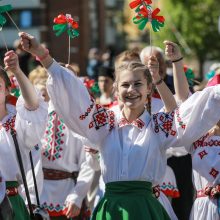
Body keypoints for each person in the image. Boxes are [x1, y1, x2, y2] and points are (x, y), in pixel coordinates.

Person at [19, 32, 220, 220]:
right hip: (112, 209)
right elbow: (76, 96)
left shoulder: (160, 126)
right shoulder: (104, 124)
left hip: (146, 209)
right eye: (125, 85)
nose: (131, 90)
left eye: (138, 84)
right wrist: (42, 55)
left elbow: (199, 105)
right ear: (116, 91)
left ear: (149, 88)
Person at [28, 65, 94, 220]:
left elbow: (87, 163)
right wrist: (28, 194)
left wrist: (77, 196)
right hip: (37, 195)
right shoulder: (34, 119)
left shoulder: (77, 122)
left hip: (67, 195)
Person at [140, 43, 194, 220]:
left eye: (159, 62)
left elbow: (180, 104)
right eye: (150, 62)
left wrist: (176, 61)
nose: (156, 66)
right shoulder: (123, 107)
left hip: (174, 165)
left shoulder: (164, 98)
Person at [0, 50, 47, 220]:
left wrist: (17, 71)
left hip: (10, 205)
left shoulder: (16, 124)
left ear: (7, 90)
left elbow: (33, 105)